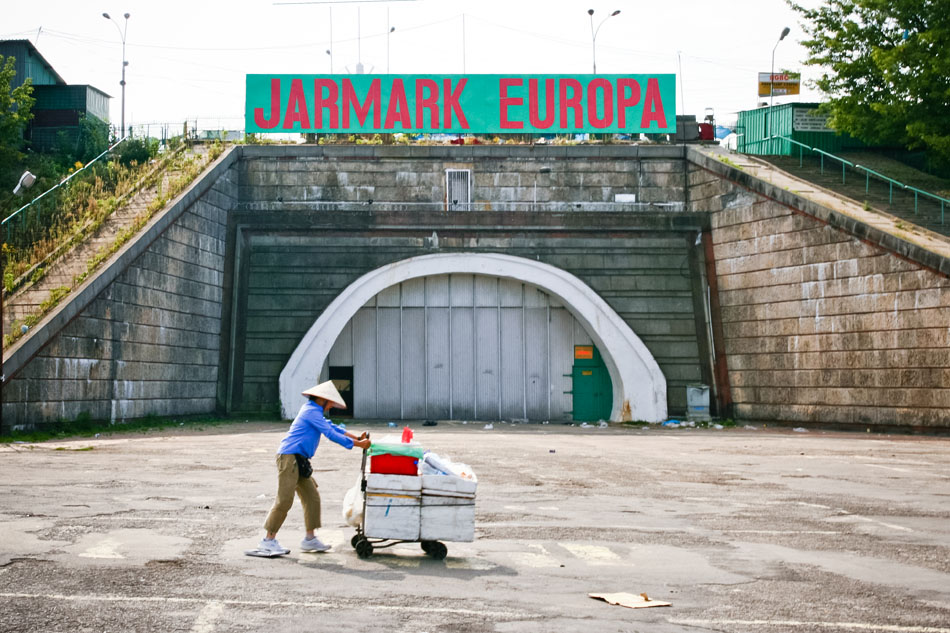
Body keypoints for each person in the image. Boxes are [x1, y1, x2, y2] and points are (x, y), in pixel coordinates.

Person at [257, 380, 370, 554]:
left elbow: (332, 427)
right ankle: (268, 541)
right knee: (284, 500)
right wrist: (358, 444)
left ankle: (310, 539)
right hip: (289, 458)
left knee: (312, 497)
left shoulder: (314, 411)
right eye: (330, 402)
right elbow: (331, 434)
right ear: (322, 400)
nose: (331, 406)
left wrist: (356, 438)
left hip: (299, 460)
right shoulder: (310, 411)